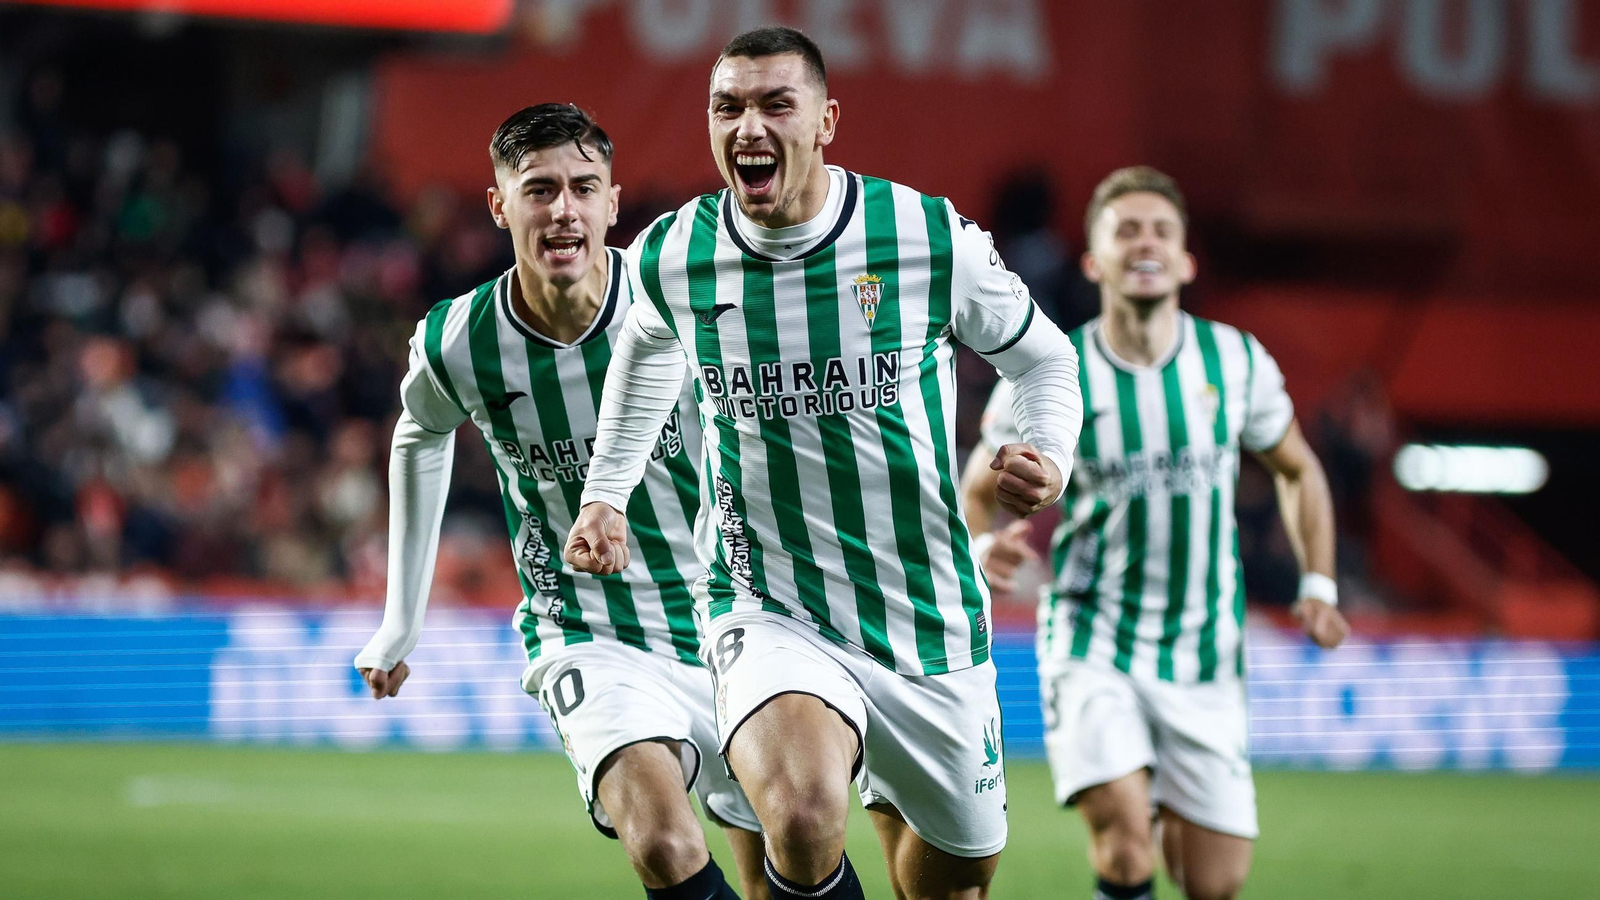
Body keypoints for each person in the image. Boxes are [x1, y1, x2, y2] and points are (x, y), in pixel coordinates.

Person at [565, 26, 1083, 900]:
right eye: (727, 107)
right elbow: (648, 350)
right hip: (766, 601)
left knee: (956, 881)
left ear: (826, 121)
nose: (749, 126)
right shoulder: (672, 253)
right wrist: (606, 492)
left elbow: (1045, 359)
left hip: (925, 612)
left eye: (776, 104)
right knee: (802, 818)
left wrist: (1053, 457)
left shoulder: (922, 235)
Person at [352, 104, 767, 900]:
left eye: (584, 187)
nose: (563, 209)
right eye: (539, 189)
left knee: (780, 869)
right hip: (589, 630)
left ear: (614, 204)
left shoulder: (682, 304)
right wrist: (400, 620)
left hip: (732, 620)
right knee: (663, 841)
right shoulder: (459, 340)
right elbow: (418, 438)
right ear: (500, 205)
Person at [960, 166, 1350, 900]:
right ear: (1094, 260)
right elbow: (978, 487)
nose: (1145, 243)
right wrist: (983, 545)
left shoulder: (1235, 362)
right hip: (1092, 641)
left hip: (1204, 653)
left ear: (1185, 260)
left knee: (1214, 880)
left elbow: (1299, 470)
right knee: (1125, 846)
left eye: (1161, 231)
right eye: (1126, 230)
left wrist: (1319, 583)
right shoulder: (1056, 369)